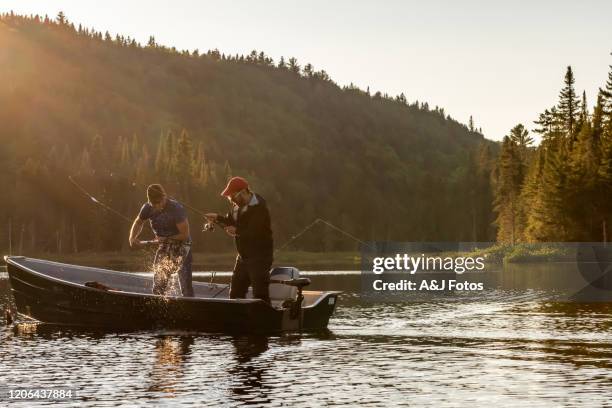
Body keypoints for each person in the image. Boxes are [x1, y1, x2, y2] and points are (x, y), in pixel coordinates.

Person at [205, 177, 273, 303]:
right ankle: (238, 321)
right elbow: (230, 221)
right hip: (242, 258)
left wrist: (237, 231)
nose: (230, 199)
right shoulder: (237, 207)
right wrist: (217, 218)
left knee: (260, 295)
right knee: (235, 293)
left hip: (260, 258)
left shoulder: (260, 207)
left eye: (232, 196)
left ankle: (264, 321)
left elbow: (254, 231)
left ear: (242, 192)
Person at [129, 184, 194, 297]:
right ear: (150, 202)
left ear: (164, 197)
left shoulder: (176, 209)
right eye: (154, 204)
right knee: (159, 281)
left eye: (160, 202)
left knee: (185, 283)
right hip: (164, 244)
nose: (158, 206)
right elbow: (139, 222)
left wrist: (167, 238)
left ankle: (189, 302)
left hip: (182, 244)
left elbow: (184, 234)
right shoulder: (147, 208)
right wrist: (132, 237)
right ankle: (160, 301)